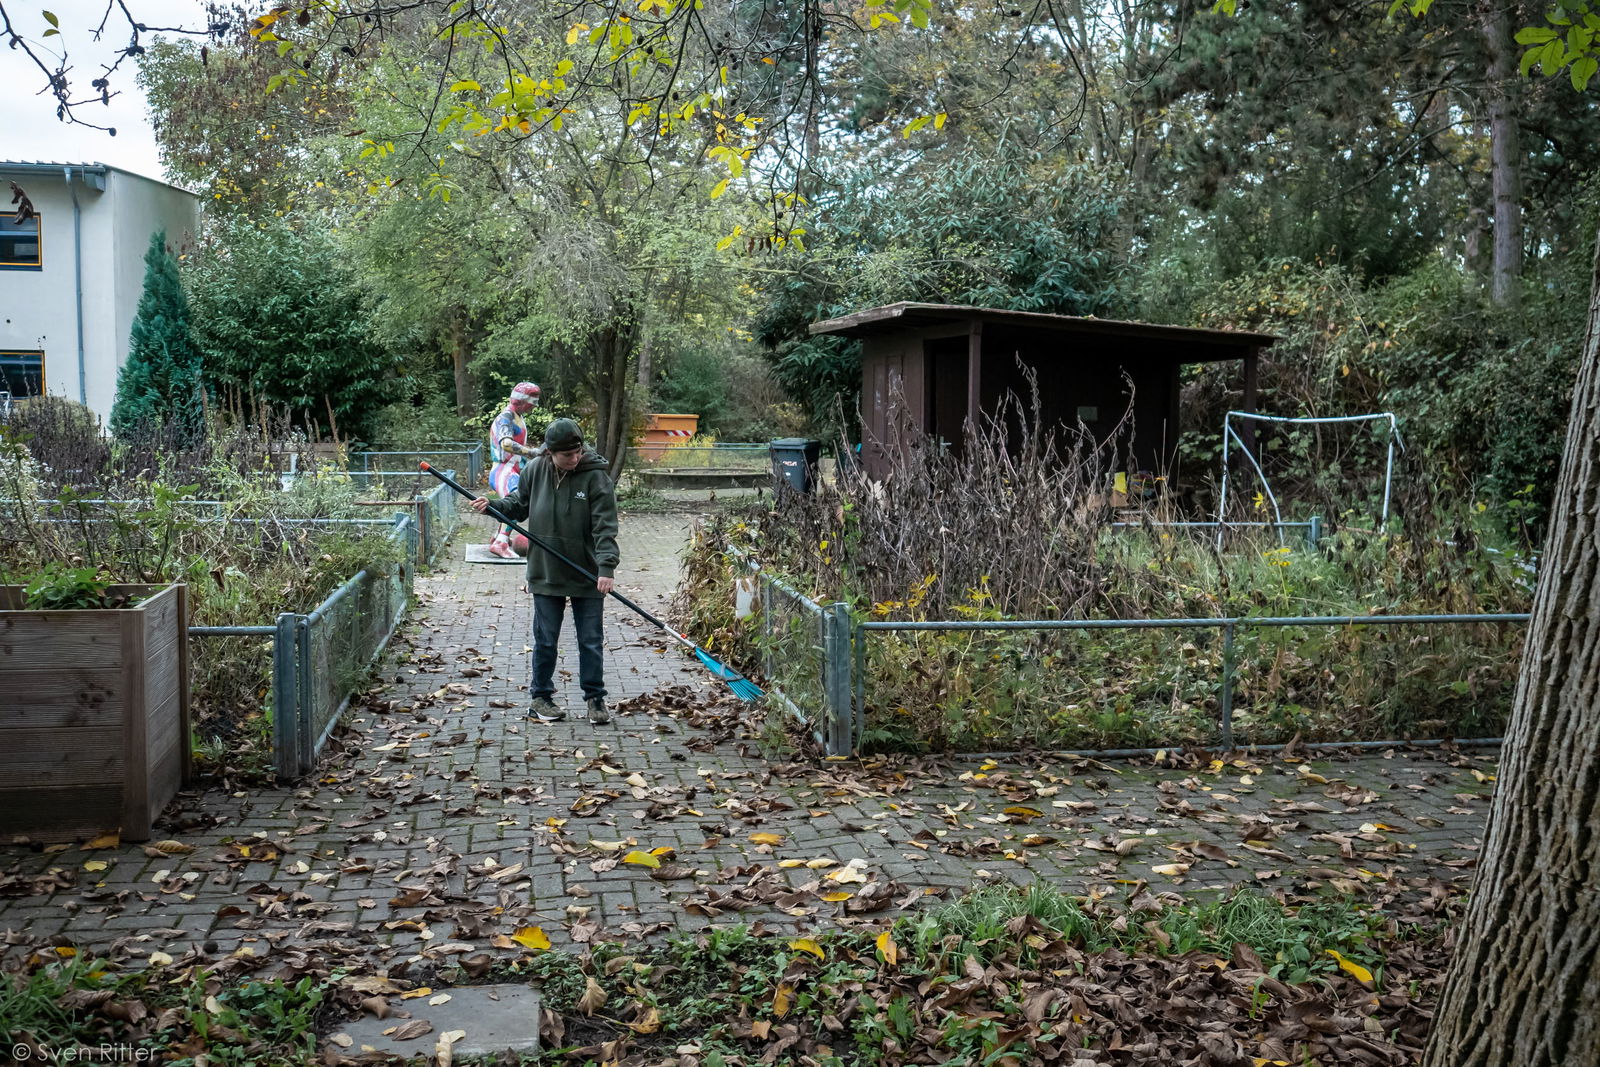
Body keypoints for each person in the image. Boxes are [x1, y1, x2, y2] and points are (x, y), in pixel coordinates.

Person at [471, 418, 619, 724]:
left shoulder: (596, 477)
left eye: (578, 452)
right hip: (545, 568)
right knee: (546, 639)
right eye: (567, 455)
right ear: (550, 452)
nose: (574, 459)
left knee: (590, 640)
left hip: (587, 571)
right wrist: (494, 506)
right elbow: (519, 504)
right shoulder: (536, 469)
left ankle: (595, 700)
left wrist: (606, 567)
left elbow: (605, 527)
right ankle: (540, 698)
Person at [485, 381, 543, 559]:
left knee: (512, 503)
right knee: (517, 502)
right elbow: (506, 443)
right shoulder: (506, 417)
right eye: (532, 403)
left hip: (512, 469)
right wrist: (532, 452)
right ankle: (501, 542)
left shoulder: (517, 416)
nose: (533, 407)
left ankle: (498, 536)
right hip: (504, 469)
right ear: (524, 401)